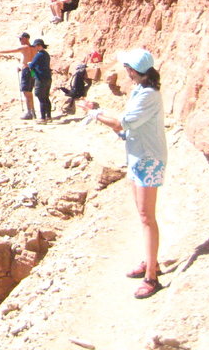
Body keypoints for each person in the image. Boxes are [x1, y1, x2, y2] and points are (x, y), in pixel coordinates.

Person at [79, 49, 166, 299]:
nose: (124, 70)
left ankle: (152, 277)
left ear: (132, 70)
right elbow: (125, 123)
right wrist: (97, 110)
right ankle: (152, 261)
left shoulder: (148, 95)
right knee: (143, 215)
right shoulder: (141, 90)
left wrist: (94, 114)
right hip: (138, 156)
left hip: (149, 159)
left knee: (147, 216)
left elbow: (121, 123)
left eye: (126, 66)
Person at [0, 33, 38, 120]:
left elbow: (12, 50)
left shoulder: (24, 47)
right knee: (30, 91)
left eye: (21, 39)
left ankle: (29, 112)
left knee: (26, 91)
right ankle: (32, 111)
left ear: (25, 39)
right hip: (33, 70)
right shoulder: (34, 48)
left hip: (26, 70)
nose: (20, 41)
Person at [28, 39, 52, 122]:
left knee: (40, 97)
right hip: (48, 78)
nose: (35, 48)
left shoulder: (39, 55)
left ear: (39, 45)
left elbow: (32, 65)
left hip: (40, 79)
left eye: (35, 46)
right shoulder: (46, 54)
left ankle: (43, 118)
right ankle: (48, 116)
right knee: (46, 97)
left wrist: (29, 65)